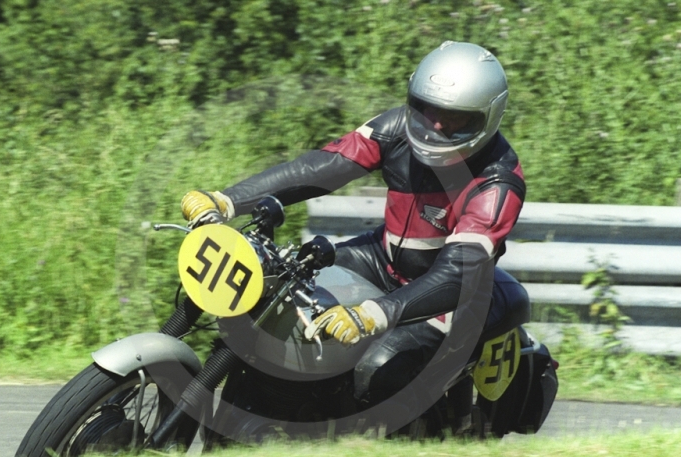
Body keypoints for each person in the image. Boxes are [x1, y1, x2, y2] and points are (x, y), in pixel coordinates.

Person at [179, 40, 525, 413]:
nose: (436, 125)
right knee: (276, 292)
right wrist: (228, 200)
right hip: (383, 257)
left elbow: (458, 273)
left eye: (455, 118)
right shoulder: (395, 129)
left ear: (486, 118)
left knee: (376, 370)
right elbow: (322, 167)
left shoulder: (497, 183)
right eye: (427, 109)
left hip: (454, 295)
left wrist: (373, 313)